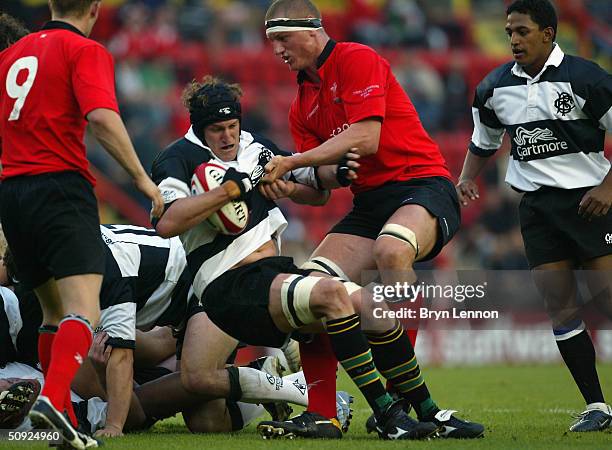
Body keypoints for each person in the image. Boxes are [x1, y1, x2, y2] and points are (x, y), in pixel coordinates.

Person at [262, 0, 483, 439]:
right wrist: (290, 185)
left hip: (423, 185)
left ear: (310, 30)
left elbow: (367, 135)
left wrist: (291, 161)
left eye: (282, 39)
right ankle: (322, 413)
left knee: (392, 248)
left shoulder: (356, 58)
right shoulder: (301, 103)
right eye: (272, 43)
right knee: (310, 288)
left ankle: (400, 399)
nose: (277, 51)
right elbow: (321, 186)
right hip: (370, 204)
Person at [0, 1, 164, 448]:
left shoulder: (12, 55)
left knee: (50, 313)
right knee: (85, 310)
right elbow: (101, 118)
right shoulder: (84, 49)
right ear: (94, 8)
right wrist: (143, 181)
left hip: (12, 191)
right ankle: (53, 399)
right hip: (60, 187)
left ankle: (64, 421)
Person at [456, 0, 611, 433]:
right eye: (508, 32)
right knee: (560, 307)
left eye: (522, 31)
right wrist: (466, 178)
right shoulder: (493, 87)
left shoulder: (587, 78)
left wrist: (608, 187)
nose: (513, 40)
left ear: (548, 33)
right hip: (539, 208)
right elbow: (483, 140)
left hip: (591, 203)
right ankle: (597, 406)